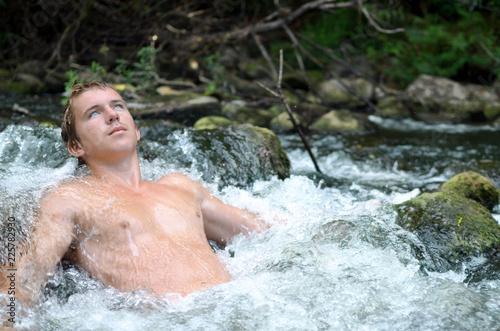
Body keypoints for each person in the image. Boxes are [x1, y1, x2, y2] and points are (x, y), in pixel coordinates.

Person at [0, 81, 267, 308]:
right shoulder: (69, 199)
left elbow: (269, 235)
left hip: (241, 305)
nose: (112, 115)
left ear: (137, 130)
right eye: (94, 113)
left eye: (118, 106)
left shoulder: (181, 187)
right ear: (76, 146)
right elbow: (23, 279)